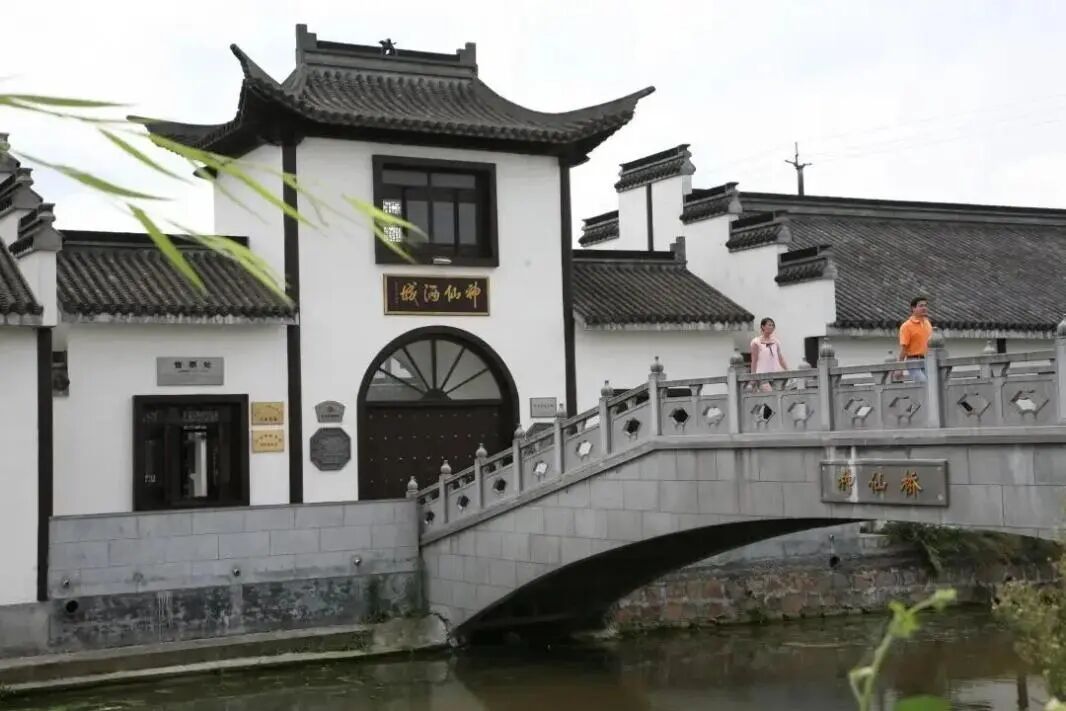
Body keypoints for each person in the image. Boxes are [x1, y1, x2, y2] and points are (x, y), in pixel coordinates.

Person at [897, 296, 933, 382]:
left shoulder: (927, 323)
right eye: (921, 306)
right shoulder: (906, 326)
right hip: (913, 361)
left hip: (928, 360)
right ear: (913, 308)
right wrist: (899, 368)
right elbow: (904, 348)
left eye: (925, 305)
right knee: (923, 384)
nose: (924, 308)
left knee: (932, 385)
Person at [750, 317, 789, 392]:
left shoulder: (776, 341)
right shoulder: (756, 342)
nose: (771, 327)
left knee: (778, 396)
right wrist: (753, 377)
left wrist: (787, 370)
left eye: (773, 325)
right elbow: (754, 360)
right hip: (762, 376)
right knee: (770, 395)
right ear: (763, 326)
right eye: (769, 325)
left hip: (776, 375)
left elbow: (780, 358)